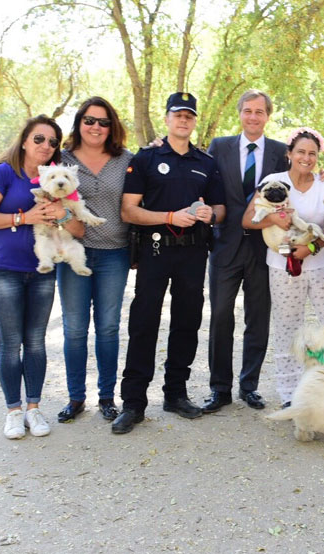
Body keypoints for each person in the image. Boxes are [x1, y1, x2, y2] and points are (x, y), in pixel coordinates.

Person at [111, 92, 226, 434]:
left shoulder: (206, 162)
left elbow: (220, 210)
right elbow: (128, 210)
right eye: (178, 114)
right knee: (143, 322)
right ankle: (133, 403)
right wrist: (171, 216)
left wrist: (210, 214)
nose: (184, 120)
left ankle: (176, 394)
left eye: (189, 115)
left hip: (193, 252)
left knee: (187, 322)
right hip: (156, 249)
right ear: (167, 118)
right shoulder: (146, 158)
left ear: (194, 121)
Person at [0, 115, 83, 439]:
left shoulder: (55, 178)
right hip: (2, 269)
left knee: (35, 342)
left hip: (41, 272)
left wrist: (61, 215)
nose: (45, 146)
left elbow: (76, 226)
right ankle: (13, 411)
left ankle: (34, 409)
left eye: (52, 142)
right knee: (11, 343)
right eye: (39, 139)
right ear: (24, 141)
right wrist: (24, 217)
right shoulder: (4, 173)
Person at [241, 127, 324, 416]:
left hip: (320, 267)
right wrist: (274, 219)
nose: (306, 158)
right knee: (286, 328)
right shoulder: (274, 182)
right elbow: (247, 220)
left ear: (318, 157)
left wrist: (311, 249)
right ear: (289, 154)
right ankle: (289, 392)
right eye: (301, 152)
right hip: (282, 267)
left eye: (312, 154)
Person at [202, 90, 290, 412]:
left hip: (263, 248)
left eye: (260, 112)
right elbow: (202, 178)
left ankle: (249, 385)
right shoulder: (219, 146)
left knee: (258, 318)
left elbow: (301, 177)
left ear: (268, 116)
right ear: (239, 113)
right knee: (221, 316)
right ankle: (219, 389)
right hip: (225, 246)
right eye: (248, 111)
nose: (253, 117)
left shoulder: (282, 152)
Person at [55, 97, 134, 424]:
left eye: (103, 122)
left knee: (108, 327)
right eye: (89, 120)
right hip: (73, 251)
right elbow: (46, 194)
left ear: (111, 126)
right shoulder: (62, 158)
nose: (96, 127)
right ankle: (75, 398)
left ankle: (106, 396)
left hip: (114, 253)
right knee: (74, 329)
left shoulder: (126, 159)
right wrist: (61, 220)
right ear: (79, 123)